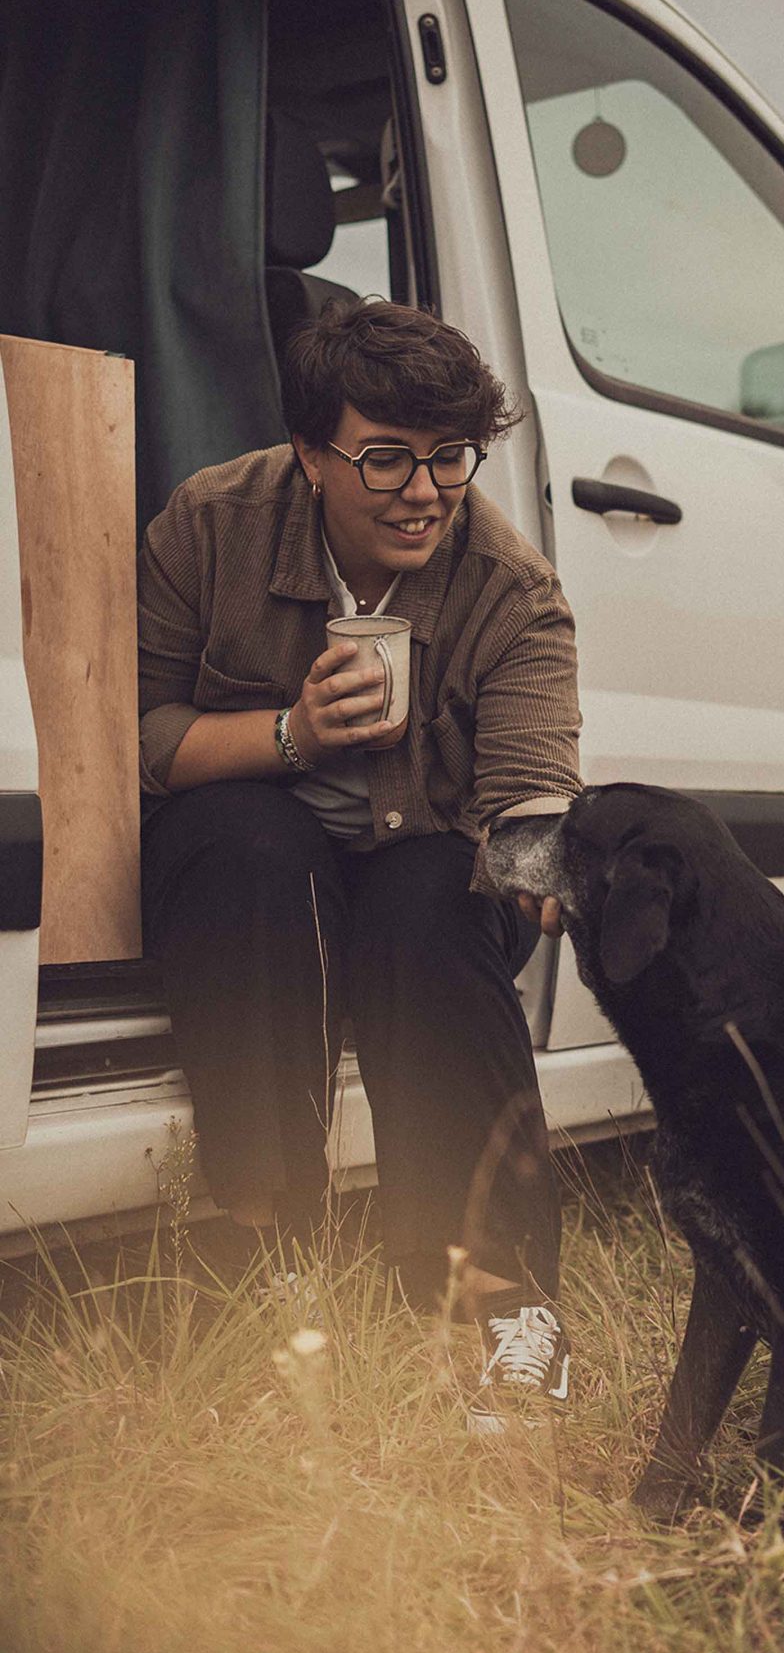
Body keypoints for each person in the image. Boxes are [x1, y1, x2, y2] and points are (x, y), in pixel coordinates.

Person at [138, 299, 581, 1426]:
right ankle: (265, 1248)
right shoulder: (214, 521)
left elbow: (533, 794)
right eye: (386, 457)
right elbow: (131, 737)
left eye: (448, 457)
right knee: (245, 849)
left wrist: (540, 859)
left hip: (417, 849)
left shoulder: (510, 589)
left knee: (430, 907)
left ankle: (499, 1297)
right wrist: (294, 734)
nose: (425, 490)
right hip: (254, 830)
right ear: (309, 453)